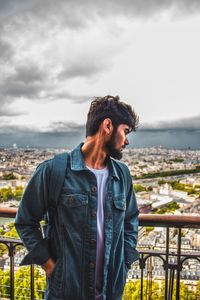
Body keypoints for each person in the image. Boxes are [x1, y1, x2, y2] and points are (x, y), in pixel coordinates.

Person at [15, 95, 139, 300]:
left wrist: (123, 263)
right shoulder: (53, 171)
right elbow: (25, 221)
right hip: (66, 291)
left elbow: (130, 221)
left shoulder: (123, 174)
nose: (126, 140)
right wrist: (50, 267)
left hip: (110, 291)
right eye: (125, 131)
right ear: (107, 125)